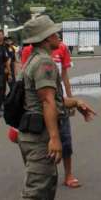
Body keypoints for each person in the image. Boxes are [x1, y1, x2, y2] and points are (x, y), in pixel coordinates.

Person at [16, 15, 96, 200]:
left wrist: (76, 102)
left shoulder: (33, 58)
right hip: (40, 137)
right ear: (44, 38)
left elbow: (54, 99)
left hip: (30, 133)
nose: (58, 35)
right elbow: (47, 101)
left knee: (45, 192)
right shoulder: (45, 63)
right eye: (53, 32)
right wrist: (54, 137)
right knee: (35, 197)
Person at [22, 40, 80, 188]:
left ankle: (68, 174)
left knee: (65, 139)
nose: (58, 37)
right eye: (54, 34)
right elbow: (25, 79)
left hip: (59, 100)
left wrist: (70, 98)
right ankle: (40, 174)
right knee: (42, 141)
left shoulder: (62, 48)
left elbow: (65, 75)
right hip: (41, 103)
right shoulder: (30, 51)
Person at [0, 29, 11, 117]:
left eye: (0, 35)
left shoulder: (4, 47)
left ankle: (0, 106)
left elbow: (7, 60)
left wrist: (9, 72)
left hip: (1, 73)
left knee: (0, 89)